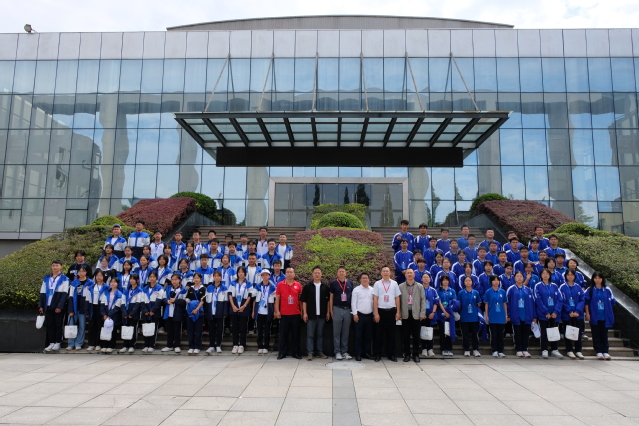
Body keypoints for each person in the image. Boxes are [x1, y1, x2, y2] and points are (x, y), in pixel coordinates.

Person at [40, 260, 70, 353]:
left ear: (61, 267)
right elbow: (42, 292)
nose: (55, 267)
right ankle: (51, 342)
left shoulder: (65, 279)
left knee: (58, 324)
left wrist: (60, 306)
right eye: (53, 265)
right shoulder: (46, 278)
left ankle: (58, 342)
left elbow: (65, 294)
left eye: (57, 265)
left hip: (58, 305)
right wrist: (41, 305)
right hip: (48, 304)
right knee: (50, 324)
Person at [301, 266, 330, 361]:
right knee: (310, 335)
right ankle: (310, 353)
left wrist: (328, 312)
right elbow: (304, 301)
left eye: (318, 273)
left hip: (322, 314)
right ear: (312, 274)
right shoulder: (308, 286)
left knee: (320, 334)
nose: (317, 274)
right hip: (311, 314)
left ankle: (319, 352)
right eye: (315, 273)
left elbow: (328, 301)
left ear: (321, 274)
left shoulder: (325, 287)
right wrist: (304, 313)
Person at [585, 271, 616, 360]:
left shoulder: (607, 290)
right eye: (595, 278)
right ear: (593, 279)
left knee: (604, 334)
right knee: (596, 334)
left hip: (605, 316)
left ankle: (605, 351)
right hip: (594, 315)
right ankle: (598, 351)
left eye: (599, 278)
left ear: (602, 279)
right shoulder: (590, 290)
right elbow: (586, 302)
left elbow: (613, 302)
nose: (597, 280)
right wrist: (587, 313)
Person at [372, 266, 401, 362]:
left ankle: (391, 354)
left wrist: (398, 312)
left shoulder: (394, 283)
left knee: (391, 334)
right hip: (380, 311)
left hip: (391, 311)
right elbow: (375, 299)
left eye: (387, 271)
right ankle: (377, 354)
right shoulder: (377, 284)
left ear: (390, 273)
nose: (385, 272)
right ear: (381, 273)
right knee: (378, 334)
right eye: (383, 271)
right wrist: (376, 313)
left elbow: (397, 298)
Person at [534, 268, 564, 359]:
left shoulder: (554, 286)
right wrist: (546, 311)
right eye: (543, 273)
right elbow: (538, 299)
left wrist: (556, 311)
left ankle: (554, 349)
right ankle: (544, 349)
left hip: (554, 314)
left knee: (554, 331)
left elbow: (560, 299)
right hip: (543, 314)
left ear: (550, 275)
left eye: (547, 273)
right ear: (541, 275)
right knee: (544, 332)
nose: (545, 275)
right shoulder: (538, 286)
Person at [399, 269, 426, 363]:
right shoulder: (401, 286)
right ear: (405, 275)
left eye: (411, 273)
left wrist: (422, 313)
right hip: (405, 314)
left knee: (416, 336)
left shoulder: (419, 286)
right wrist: (399, 313)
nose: (409, 274)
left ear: (414, 274)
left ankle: (416, 354)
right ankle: (407, 354)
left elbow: (423, 300)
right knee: (406, 336)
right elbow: (398, 301)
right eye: (408, 273)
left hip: (416, 314)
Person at [275, 267, 303, 360]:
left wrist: (302, 312)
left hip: (296, 313)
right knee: (283, 335)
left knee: (296, 335)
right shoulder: (280, 284)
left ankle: (296, 353)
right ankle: (282, 353)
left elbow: (300, 300)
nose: (289, 274)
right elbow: (277, 299)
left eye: (291, 272)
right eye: (288, 272)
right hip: (284, 314)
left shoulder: (298, 285)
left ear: (294, 274)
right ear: (285, 274)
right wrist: (277, 311)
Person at [506, 271, 535, 358]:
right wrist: (508, 315)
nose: (519, 278)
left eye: (521, 276)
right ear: (514, 278)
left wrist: (534, 316)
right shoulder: (511, 289)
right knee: (517, 333)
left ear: (523, 278)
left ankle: (525, 349)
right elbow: (507, 303)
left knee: (526, 333)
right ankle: (518, 349)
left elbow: (532, 303)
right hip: (516, 314)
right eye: (517, 276)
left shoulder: (528, 289)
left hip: (527, 314)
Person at [559, 269, 586, 359]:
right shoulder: (562, 287)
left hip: (578, 314)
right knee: (567, 332)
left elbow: (582, 299)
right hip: (567, 314)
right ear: (565, 276)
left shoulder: (578, 287)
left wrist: (577, 311)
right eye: (568, 275)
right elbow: (562, 300)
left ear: (575, 276)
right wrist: (569, 311)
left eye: (572, 275)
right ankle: (569, 350)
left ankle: (578, 350)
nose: (570, 276)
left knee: (578, 332)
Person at [329, 266, 354, 360]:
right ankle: (337, 352)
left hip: (348, 310)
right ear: (337, 273)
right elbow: (331, 298)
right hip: (337, 309)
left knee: (345, 332)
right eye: (339, 271)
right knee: (336, 332)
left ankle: (344, 351)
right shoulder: (333, 283)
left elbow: (353, 297)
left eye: (343, 271)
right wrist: (331, 310)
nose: (341, 273)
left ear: (345, 273)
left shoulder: (350, 283)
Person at [228, 266, 253, 354]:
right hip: (234, 305)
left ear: (245, 273)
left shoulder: (249, 283)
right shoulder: (233, 282)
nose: (240, 273)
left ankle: (242, 344)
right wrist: (233, 306)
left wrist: (244, 306)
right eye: (239, 272)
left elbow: (250, 296)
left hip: (244, 306)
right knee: (234, 327)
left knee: (243, 327)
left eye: (242, 272)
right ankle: (235, 344)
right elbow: (230, 294)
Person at [83, 269, 109, 352]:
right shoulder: (91, 287)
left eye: (100, 275)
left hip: (101, 307)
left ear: (103, 277)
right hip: (92, 307)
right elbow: (87, 300)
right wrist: (87, 311)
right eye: (97, 276)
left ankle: (98, 344)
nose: (99, 277)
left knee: (100, 326)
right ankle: (91, 344)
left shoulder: (107, 287)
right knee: (91, 326)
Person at [67, 264, 91, 351]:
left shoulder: (90, 283)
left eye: (83, 271)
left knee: (82, 326)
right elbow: (70, 297)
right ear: (77, 273)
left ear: (86, 272)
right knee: (71, 325)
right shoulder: (73, 283)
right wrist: (70, 310)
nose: (81, 273)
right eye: (79, 271)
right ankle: (71, 343)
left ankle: (78, 343)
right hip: (74, 307)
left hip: (83, 308)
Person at [161, 273, 187, 353]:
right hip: (168, 312)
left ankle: (177, 345)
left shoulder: (183, 289)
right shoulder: (168, 288)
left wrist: (176, 300)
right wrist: (167, 301)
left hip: (178, 312)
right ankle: (169, 345)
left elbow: (184, 302)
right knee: (169, 330)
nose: (174, 281)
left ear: (179, 280)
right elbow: (163, 299)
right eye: (172, 280)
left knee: (177, 330)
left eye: (176, 279)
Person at [351, 272, 374, 361]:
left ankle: (366, 353)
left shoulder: (372, 290)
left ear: (369, 280)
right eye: (363, 278)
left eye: (366, 278)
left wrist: (374, 314)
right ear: (360, 279)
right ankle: (358, 353)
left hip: (369, 315)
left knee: (368, 335)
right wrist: (355, 314)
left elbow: (374, 303)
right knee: (358, 335)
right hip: (359, 315)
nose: (365, 279)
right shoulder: (356, 290)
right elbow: (353, 302)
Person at [484, 275, 508, 358]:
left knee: (500, 334)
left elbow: (504, 304)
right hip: (492, 315)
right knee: (493, 334)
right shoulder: (488, 292)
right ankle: (494, 350)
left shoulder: (503, 292)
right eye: (494, 280)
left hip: (501, 315)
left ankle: (500, 350)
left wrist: (506, 315)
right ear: (491, 282)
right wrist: (487, 315)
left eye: (497, 280)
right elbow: (486, 304)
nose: (496, 282)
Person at [204, 271, 228, 354]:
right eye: (215, 276)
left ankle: (218, 345)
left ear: (221, 277)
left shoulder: (224, 287)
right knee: (211, 329)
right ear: (213, 277)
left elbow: (226, 301)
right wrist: (207, 312)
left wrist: (225, 313)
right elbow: (206, 301)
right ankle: (211, 345)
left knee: (219, 329)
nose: (216, 277)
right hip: (211, 311)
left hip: (220, 311)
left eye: (218, 276)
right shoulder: (209, 287)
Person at [253, 269, 276, 354]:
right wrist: (253, 311)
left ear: (269, 276)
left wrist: (275, 311)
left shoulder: (272, 286)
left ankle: (266, 346)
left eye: (267, 275)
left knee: (267, 330)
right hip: (259, 311)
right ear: (261, 276)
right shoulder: (258, 286)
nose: (265, 276)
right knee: (259, 330)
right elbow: (254, 299)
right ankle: (260, 346)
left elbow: (275, 300)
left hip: (268, 311)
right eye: (263, 275)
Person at [121, 273, 145, 353]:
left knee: (133, 329)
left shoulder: (139, 290)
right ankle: (125, 345)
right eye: (130, 279)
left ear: (137, 280)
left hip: (134, 312)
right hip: (126, 310)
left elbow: (138, 303)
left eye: (133, 279)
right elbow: (123, 302)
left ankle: (132, 345)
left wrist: (132, 313)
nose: (131, 280)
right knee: (125, 328)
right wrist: (124, 312)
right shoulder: (126, 290)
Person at [99, 277, 124, 353]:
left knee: (113, 331)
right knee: (105, 330)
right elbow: (102, 304)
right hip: (106, 315)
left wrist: (110, 315)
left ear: (118, 284)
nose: (113, 283)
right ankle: (104, 345)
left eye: (115, 282)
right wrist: (104, 314)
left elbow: (117, 307)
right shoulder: (106, 293)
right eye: (111, 282)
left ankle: (111, 346)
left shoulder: (120, 294)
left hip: (114, 315)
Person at [458, 276, 481, 357]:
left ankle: (475, 349)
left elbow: (478, 304)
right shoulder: (461, 293)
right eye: (466, 281)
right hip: (464, 317)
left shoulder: (476, 293)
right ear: (464, 283)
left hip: (474, 317)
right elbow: (459, 304)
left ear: (472, 282)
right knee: (465, 334)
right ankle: (466, 349)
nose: (468, 282)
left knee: (475, 334)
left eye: (469, 280)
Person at [141, 270, 163, 353]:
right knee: (145, 328)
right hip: (146, 311)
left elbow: (159, 301)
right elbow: (142, 301)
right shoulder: (144, 289)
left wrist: (153, 310)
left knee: (153, 328)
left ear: (156, 278)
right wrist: (145, 310)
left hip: (155, 312)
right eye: (150, 277)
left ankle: (152, 345)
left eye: (154, 277)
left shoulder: (159, 288)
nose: (152, 278)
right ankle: (146, 345)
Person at [185, 272, 206, 354]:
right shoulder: (190, 288)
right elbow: (187, 298)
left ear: (200, 279)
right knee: (190, 330)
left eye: (198, 278)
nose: (196, 279)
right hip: (190, 311)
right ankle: (191, 346)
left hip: (199, 311)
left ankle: (197, 346)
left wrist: (197, 308)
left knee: (198, 330)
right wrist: (190, 304)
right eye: (195, 278)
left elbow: (203, 300)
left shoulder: (203, 288)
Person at [420, 272, 439, 358]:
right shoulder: (419, 289)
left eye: (427, 277)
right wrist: (421, 313)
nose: (426, 279)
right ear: (421, 279)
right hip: (422, 315)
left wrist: (433, 312)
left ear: (430, 279)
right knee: (423, 331)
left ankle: (430, 349)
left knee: (430, 331)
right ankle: (424, 349)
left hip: (431, 314)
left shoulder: (433, 290)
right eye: (424, 277)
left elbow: (436, 302)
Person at [436, 275, 457, 356]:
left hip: (450, 313)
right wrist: (445, 312)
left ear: (449, 281)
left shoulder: (452, 291)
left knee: (449, 331)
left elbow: (454, 302)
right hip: (441, 313)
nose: (445, 281)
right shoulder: (438, 290)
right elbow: (439, 302)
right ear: (441, 281)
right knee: (442, 332)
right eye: (443, 280)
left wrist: (449, 312)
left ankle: (449, 348)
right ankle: (443, 349)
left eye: (446, 280)